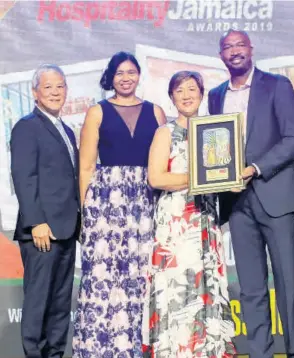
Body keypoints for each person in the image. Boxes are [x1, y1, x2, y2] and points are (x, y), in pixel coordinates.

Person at [208, 30, 294, 358]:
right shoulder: (214, 95)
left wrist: (255, 168)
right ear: (221, 55)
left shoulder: (276, 86)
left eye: (240, 45)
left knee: (287, 282)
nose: (235, 51)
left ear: (251, 49)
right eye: (228, 47)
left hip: (274, 196)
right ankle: (261, 353)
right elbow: (213, 147)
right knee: (251, 288)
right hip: (237, 203)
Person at [72, 52, 166, 358]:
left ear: (139, 75)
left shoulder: (157, 112)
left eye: (131, 72)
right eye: (119, 73)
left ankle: (141, 348)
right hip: (107, 205)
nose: (126, 78)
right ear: (110, 78)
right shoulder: (96, 112)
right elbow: (86, 168)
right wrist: (87, 215)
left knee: (142, 275)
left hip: (146, 201)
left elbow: (165, 160)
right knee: (106, 276)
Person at [145, 71, 236, 357]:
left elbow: (225, 176)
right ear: (172, 97)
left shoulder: (214, 131)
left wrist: (231, 177)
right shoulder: (165, 132)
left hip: (206, 220)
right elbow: (156, 178)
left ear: (202, 93)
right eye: (180, 90)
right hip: (176, 224)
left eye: (192, 89)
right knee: (179, 289)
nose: (186, 95)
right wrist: (198, 177)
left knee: (207, 287)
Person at [10, 64, 80, 358]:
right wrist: (37, 221)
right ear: (35, 92)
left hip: (66, 229)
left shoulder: (66, 130)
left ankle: (54, 354)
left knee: (61, 303)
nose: (55, 92)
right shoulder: (27, 126)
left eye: (60, 86)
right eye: (48, 87)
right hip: (42, 232)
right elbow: (23, 177)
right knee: (39, 302)